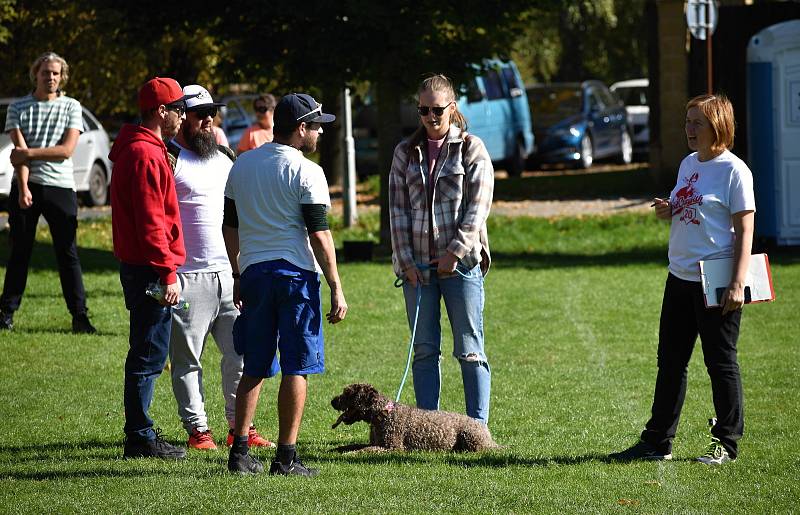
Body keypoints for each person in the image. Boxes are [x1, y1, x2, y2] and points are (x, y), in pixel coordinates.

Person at [609, 94, 755, 465]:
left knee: (720, 362)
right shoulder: (689, 163)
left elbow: (745, 230)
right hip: (680, 277)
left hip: (716, 279)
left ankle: (726, 442)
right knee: (670, 361)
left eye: (697, 123)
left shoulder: (734, 171)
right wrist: (669, 207)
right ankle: (658, 441)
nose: (689, 129)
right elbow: (687, 203)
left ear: (718, 126)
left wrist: (738, 283)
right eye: (687, 121)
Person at [224, 93, 347, 476]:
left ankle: (239, 453)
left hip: (256, 274)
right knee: (297, 366)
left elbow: (229, 226)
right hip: (295, 277)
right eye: (316, 127)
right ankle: (286, 458)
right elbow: (319, 234)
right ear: (300, 129)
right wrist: (336, 285)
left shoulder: (242, 164)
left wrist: (238, 273)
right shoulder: (308, 171)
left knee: (254, 365)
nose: (319, 134)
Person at [166, 84, 273, 451]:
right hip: (186, 277)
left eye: (212, 113)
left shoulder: (226, 156)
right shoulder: (169, 157)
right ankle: (198, 431)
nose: (208, 120)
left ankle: (239, 427)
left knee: (240, 354)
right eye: (199, 114)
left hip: (230, 275)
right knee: (187, 359)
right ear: (182, 116)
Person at [388, 75, 494, 425]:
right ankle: (427, 428)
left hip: (461, 267)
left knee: (470, 350)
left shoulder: (471, 148)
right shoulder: (405, 152)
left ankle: (477, 429)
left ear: (452, 108)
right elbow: (397, 213)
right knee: (423, 351)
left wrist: (455, 253)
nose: (431, 116)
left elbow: (478, 208)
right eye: (423, 109)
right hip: (418, 267)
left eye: (437, 109)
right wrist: (405, 263)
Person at [109, 77, 190, 459]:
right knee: (148, 354)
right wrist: (167, 272)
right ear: (162, 111)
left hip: (142, 265)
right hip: (149, 268)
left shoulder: (145, 149)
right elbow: (150, 221)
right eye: (179, 110)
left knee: (148, 350)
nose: (183, 117)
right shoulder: (144, 154)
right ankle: (139, 436)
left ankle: (140, 433)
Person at [0, 51, 96, 333]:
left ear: (62, 76)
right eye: (46, 73)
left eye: (55, 73)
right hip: (26, 186)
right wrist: (24, 189)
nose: (51, 77)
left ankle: (79, 316)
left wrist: (29, 152)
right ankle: (6, 312)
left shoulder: (71, 106)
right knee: (20, 251)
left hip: (61, 187)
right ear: (36, 74)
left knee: (68, 253)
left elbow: (66, 151)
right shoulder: (18, 107)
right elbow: (19, 158)